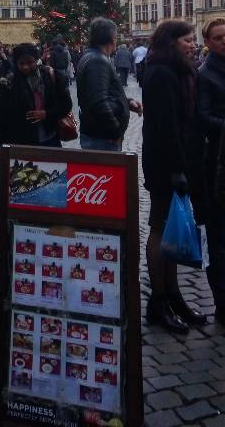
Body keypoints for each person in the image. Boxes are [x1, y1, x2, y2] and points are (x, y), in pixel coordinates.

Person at [142, 19, 206, 333]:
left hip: (178, 160)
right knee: (159, 227)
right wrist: (178, 169)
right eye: (188, 40)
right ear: (171, 42)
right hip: (165, 163)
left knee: (169, 228)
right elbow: (165, 126)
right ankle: (159, 300)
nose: (193, 45)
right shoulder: (161, 73)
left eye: (193, 40)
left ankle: (173, 295)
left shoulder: (177, 70)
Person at [0, 43, 72, 148]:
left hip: (49, 139)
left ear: (37, 60)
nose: (25, 67)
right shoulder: (9, 84)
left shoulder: (50, 77)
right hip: (21, 144)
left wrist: (47, 114)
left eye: (30, 62)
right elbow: (0, 119)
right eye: (21, 63)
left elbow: (66, 105)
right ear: (16, 63)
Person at [76, 17, 142, 151]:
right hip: (102, 138)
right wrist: (115, 131)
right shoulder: (97, 60)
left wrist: (127, 102)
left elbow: (103, 93)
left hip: (99, 135)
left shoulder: (93, 57)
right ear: (112, 39)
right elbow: (98, 102)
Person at [198, 17, 225, 324]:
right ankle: (221, 300)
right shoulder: (205, 74)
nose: (224, 41)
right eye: (218, 38)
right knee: (218, 235)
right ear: (208, 43)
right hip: (217, 162)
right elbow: (203, 117)